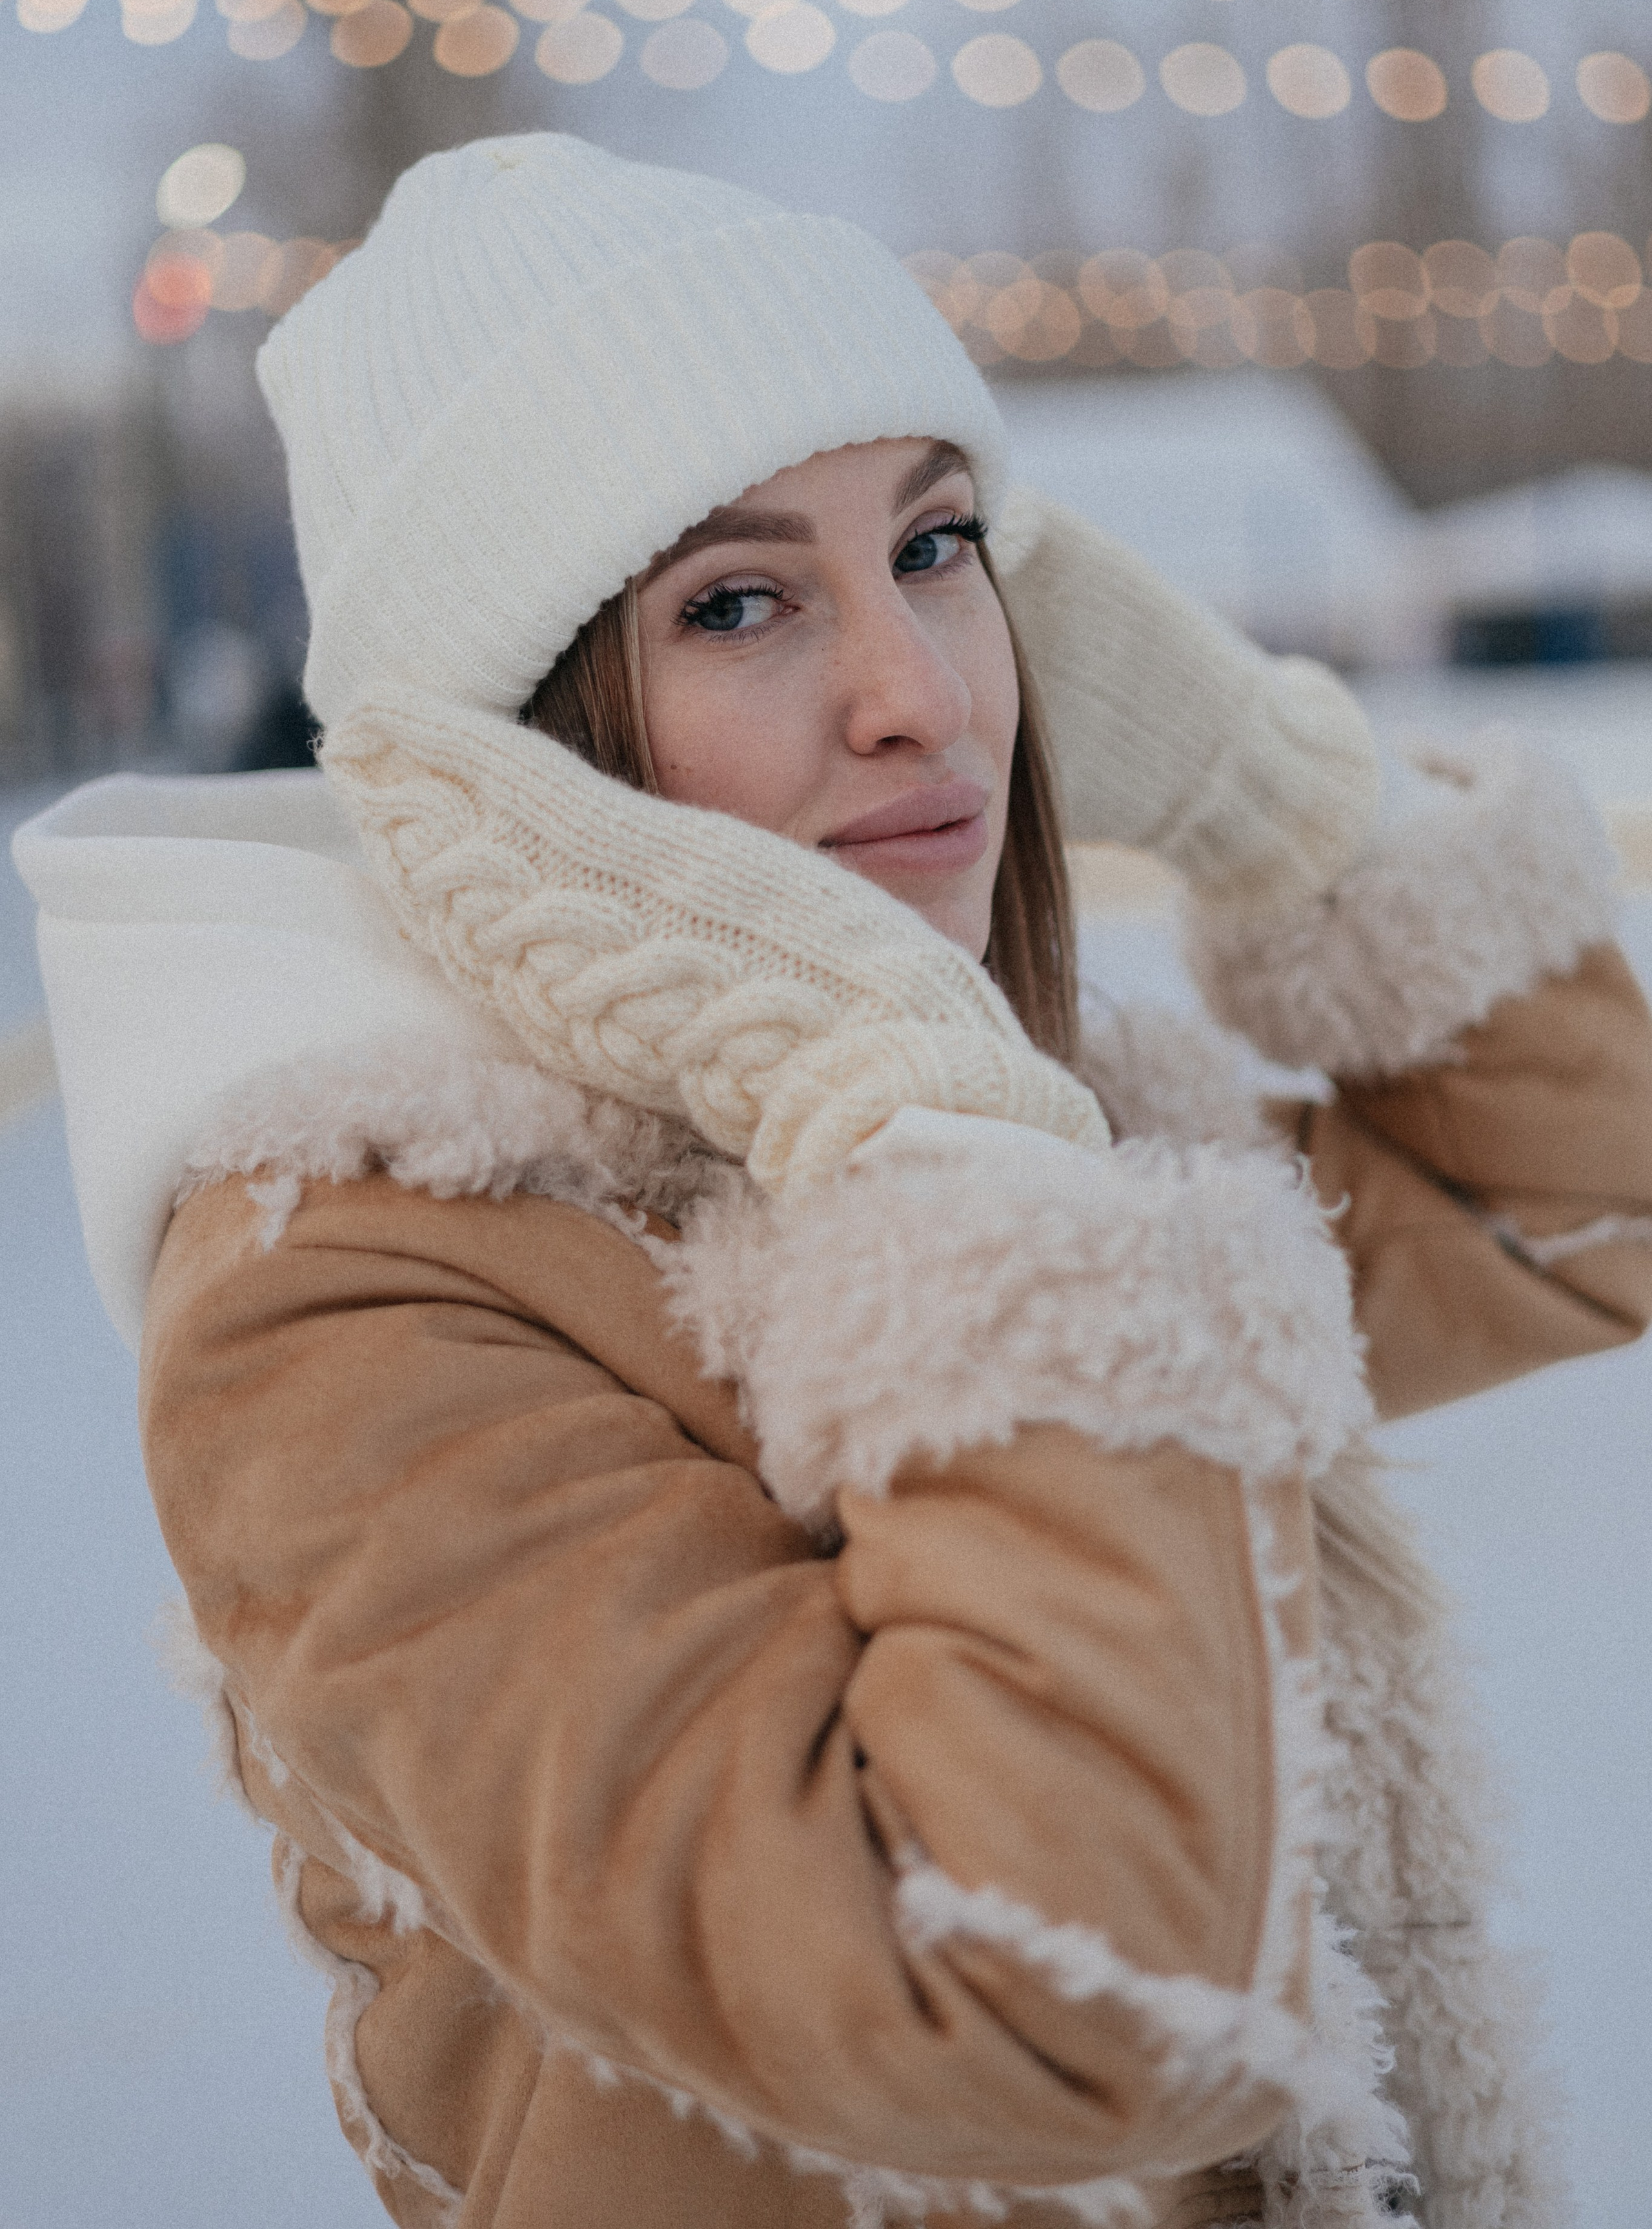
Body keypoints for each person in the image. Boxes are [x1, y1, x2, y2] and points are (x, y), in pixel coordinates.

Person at [15, 134, 1652, 2229]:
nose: (918, 694)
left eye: (939, 548)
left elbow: (1569, 1200)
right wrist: (923, 1125)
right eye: (743, 598)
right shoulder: (351, 1304)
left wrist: (1263, 780)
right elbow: (1046, 2002)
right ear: (516, 752)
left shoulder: (1029, 1126)